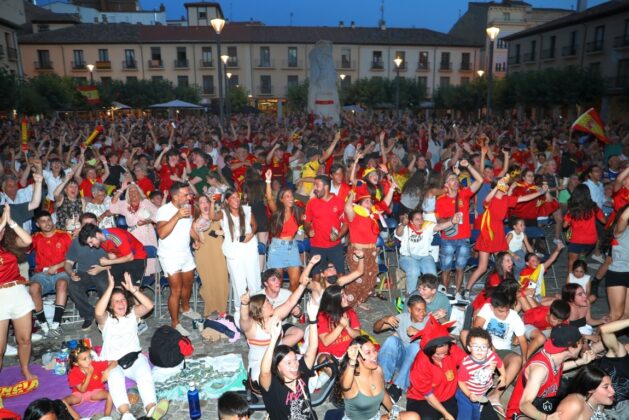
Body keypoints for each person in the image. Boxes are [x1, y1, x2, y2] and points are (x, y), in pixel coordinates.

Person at [95, 272, 169, 420]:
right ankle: (126, 413)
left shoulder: (132, 315)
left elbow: (149, 305)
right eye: (116, 301)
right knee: (115, 379)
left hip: (133, 358)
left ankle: (151, 408)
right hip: (112, 362)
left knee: (145, 374)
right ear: (110, 305)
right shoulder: (106, 320)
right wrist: (110, 287)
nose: (121, 303)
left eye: (123, 300)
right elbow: (98, 311)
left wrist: (132, 289)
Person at [466, 177, 548, 293]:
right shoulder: (492, 198)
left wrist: (540, 192)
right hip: (487, 235)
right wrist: (496, 186)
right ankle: (467, 290)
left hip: (498, 234)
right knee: (482, 267)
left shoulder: (506, 199)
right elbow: (486, 200)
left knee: (504, 264)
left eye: (506, 185)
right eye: (504, 184)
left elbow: (523, 198)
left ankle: (506, 289)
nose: (506, 186)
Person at [506, 325, 595, 419]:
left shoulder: (554, 357)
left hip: (543, 405)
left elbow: (557, 368)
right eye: (582, 342)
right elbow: (524, 405)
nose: (583, 345)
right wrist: (546, 418)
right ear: (572, 346)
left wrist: (581, 362)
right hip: (520, 413)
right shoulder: (540, 370)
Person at [239, 272, 309, 382]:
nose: (271, 303)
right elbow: (243, 318)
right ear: (260, 309)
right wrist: (244, 304)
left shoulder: (275, 316)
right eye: (267, 302)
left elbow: (290, 302)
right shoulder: (251, 327)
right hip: (261, 362)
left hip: (279, 356)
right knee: (268, 380)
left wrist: (302, 286)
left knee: (305, 365)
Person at [259, 298, 319, 420]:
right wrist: (274, 339)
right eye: (288, 363)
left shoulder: (301, 372)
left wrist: (313, 320)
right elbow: (264, 372)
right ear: (278, 367)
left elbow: (313, 348)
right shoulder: (273, 385)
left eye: (295, 360)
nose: (295, 365)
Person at [435, 159, 484, 300]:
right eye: (451, 179)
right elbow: (439, 221)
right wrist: (451, 219)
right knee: (446, 268)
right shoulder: (440, 200)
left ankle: (457, 293)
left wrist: (468, 165)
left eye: (456, 179)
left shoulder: (464, 194)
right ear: (446, 185)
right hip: (448, 239)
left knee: (460, 267)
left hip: (463, 238)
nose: (455, 181)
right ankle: (444, 294)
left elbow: (480, 180)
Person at [343, 182, 396, 308]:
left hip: (371, 251)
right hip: (357, 252)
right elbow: (347, 208)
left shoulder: (373, 215)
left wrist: (392, 189)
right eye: (366, 201)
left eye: (370, 201)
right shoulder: (354, 214)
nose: (370, 203)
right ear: (359, 204)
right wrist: (352, 193)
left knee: (371, 280)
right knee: (357, 279)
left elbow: (385, 204)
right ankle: (347, 303)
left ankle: (359, 301)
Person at [156, 182, 199, 336]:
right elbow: (161, 233)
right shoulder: (164, 210)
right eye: (186, 195)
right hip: (169, 255)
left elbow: (189, 228)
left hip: (185, 253)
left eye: (189, 194)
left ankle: (186, 308)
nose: (189, 197)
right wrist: (177, 215)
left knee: (188, 283)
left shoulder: (187, 208)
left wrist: (197, 239)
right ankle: (175, 323)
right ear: (175, 196)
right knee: (177, 290)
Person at [209, 188, 261, 317]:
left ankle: (258, 308)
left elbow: (255, 225)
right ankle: (240, 311)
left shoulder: (247, 209)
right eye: (232, 197)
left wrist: (251, 234)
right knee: (238, 282)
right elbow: (212, 216)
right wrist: (211, 202)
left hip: (248, 247)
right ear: (227, 201)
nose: (236, 199)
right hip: (233, 250)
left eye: (237, 196)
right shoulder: (223, 213)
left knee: (253, 279)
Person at [340, 336, 419, 420]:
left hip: (376, 418)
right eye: (368, 352)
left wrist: (394, 413)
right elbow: (345, 386)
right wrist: (352, 361)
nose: (374, 355)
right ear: (358, 358)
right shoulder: (351, 378)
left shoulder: (378, 370)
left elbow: (384, 394)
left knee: (413, 417)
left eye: (374, 350)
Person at [473, 291, 527, 411]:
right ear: (493, 307)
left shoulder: (513, 316)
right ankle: (476, 381)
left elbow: (522, 340)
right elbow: (476, 327)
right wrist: (489, 344)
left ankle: (495, 395)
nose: (505, 314)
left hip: (502, 350)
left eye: (507, 310)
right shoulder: (487, 308)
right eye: (501, 311)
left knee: (517, 359)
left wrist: (524, 359)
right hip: (484, 345)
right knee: (465, 334)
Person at [0, 204, 35, 380]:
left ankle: (25, 368)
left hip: (17, 292)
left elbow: (28, 241)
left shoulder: (9, 243)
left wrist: (11, 222)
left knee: (25, 339)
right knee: (0, 348)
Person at [406, 314, 464, 420]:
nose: (442, 356)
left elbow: (467, 363)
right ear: (428, 352)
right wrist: (445, 414)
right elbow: (428, 395)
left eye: (445, 352)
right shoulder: (421, 363)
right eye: (438, 354)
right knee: (427, 418)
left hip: (447, 396)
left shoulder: (452, 349)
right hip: (422, 398)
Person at [373, 294, 429, 400]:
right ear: (409, 310)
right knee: (391, 340)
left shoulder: (429, 321)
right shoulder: (402, 319)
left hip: (417, 365)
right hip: (402, 358)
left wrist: (419, 334)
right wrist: (383, 319)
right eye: (418, 310)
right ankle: (382, 380)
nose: (422, 313)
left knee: (415, 347)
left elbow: (437, 343)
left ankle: (398, 386)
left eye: (424, 310)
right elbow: (376, 329)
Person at [395, 210, 460, 295]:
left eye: (421, 218)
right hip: (407, 257)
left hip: (425, 257)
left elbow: (439, 226)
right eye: (417, 219)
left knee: (432, 274)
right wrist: (403, 224)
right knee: (414, 270)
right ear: (411, 221)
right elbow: (398, 233)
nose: (420, 221)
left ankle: (429, 297)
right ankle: (410, 296)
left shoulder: (427, 225)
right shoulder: (405, 226)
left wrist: (452, 222)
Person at [29, 211, 72, 337]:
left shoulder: (64, 236)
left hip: (61, 272)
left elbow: (73, 258)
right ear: (37, 224)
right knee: (33, 287)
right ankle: (43, 324)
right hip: (42, 275)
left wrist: (57, 266)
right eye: (43, 221)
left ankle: (56, 325)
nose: (47, 223)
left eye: (48, 220)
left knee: (62, 283)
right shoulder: (35, 238)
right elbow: (23, 250)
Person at [65, 213, 108, 330]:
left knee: (104, 284)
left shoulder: (105, 238)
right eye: (85, 224)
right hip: (83, 272)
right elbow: (68, 262)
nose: (88, 226)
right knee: (73, 287)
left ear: (97, 224)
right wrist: (71, 273)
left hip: (103, 270)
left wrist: (102, 268)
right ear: (81, 226)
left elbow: (116, 262)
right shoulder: (76, 242)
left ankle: (104, 313)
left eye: (92, 223)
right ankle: (89, 314)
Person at [264, 169, 304, 291]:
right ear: (281, 199)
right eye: (287, 196)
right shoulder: (277, 211)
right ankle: (278, 306)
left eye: (291, 195)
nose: (291, 198)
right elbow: (270, 198)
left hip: (292, 248)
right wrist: (268, 180)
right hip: (277, 248)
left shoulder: (297, 211)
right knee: (277, 284)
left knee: (295, 282)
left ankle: (290, 307)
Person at [110, 180, 159, 276]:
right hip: (134, 235)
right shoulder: (125, 204)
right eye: (130, 191)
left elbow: (158, 215)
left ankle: (148, 280)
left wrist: (148, 221)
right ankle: (137, 280)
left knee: (149, 258)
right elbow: (113, 206)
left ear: (139, 191)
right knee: (136, 257)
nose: (133, 193)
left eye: (134, 190)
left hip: (147, 233)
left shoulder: (145, 202)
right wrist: (121, 190)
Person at [191, 194, 229, 317]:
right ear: (198, 206)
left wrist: (221, 232)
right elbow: (199, 241)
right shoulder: (195, 222)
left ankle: (222, 308)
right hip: (203, 253)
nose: (205, 204)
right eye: (201, 202)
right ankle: (210, 306)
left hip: (218, 252)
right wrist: (199, 231)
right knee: (207, 281)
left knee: (222, 279)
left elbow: (230, 231)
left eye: (206, 201)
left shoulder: (217, 217)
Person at [456, 328, 506, 420]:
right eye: (475, 346)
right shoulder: (466, 365)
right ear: (469, 348)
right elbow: (461, 382)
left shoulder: (491, 356)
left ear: (489, 348)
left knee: (476, 415)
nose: (480, 350)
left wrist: (503, 376)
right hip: (465, 395)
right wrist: (469, 394)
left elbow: (500, 363)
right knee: (465, 416)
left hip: (481, 394)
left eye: (483, 347)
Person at [304, 175, 346, 276]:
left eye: (317, 185)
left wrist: (339, 235)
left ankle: (339, 292)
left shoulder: (339, 202)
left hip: (335, 246)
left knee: (340, 275)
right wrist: (308, 230)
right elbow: (306, 223)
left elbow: (346, 223)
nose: (314, 188)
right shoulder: (311, 203)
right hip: (317, 246)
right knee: (316, 277)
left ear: (326, 187)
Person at [78, 224, 147, 285]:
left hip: (137, 257)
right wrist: (101, 268)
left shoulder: (114, 236)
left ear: (96, 234)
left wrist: (108, 262)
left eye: (91, 242)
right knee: (113, 283)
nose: (90, 245)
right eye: (89, 244)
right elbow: (114, 259)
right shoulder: (101, 241)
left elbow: (130, 257)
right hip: (124, 260)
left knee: (133, 289)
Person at [62, 343, 115, 417]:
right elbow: (82, 390)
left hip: (95, 392)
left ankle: (107, 417)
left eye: (89, 357)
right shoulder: (73, 373)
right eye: (84, 359)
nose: (89, 360)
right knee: (63, 402)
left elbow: (114, 362)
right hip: (78, 394)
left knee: (111, 394)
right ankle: (78, 418)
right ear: (76, 363)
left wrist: (107, 371)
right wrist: (89, 374)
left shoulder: (95, 364)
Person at [563, 184, 607, 273]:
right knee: (582, 259)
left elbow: (564, 225)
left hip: (576, 239)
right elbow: (604, 221)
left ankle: (570, 283)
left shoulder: (572, 209)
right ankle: (581, 280)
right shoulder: (594, 208)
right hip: (590, 240)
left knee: (572, 262)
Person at [317, 285, 361, 360]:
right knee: (325, 360)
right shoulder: (322, 316)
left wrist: (347, 327)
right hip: (328, 353)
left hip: (347, 353)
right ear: (335, 300)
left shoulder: (350, 312)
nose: (346, 297)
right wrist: (340, 326)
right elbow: (326, 342)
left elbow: (358, 335)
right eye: (342, 296)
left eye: (345, 294)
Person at [606, 205, 629, 322]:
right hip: (618, 273)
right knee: (616, 315)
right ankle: (598, 339)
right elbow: (623, 219)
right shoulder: (620, 230)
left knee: (626, 316)